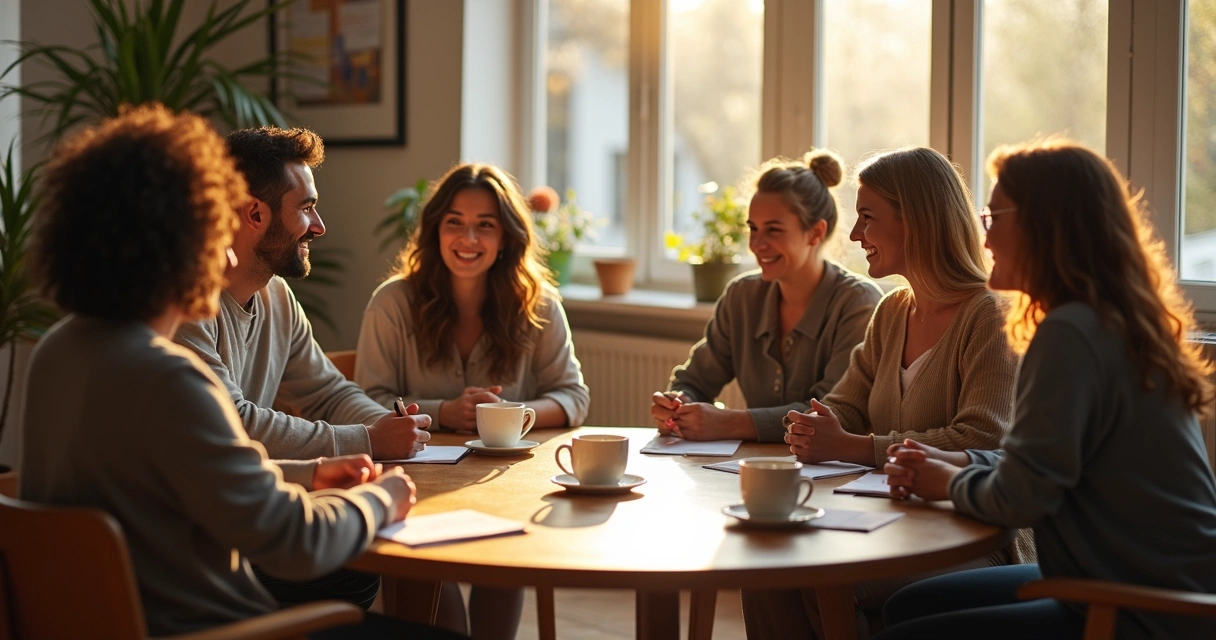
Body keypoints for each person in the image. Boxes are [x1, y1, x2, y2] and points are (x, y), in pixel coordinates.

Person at [19, 104, 459, 639]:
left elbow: (184, 477)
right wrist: (379, 499)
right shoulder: (168, 378)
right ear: (177, 244)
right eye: (215, 230)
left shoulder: (57, 351)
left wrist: (311, 473)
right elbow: (293, 542)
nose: (228, 258)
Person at [875, 140, 1216, 640]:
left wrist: (945, 482)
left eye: (994, 217)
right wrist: (961, 461)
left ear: (1046, 225)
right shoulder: (1108, 321)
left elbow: (1022, 498)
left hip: (1142, 604)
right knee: (908, 605)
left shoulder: (1071, 333)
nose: (984, 237)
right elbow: (1046, 463)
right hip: (1143, 581)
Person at [744, 147, 1024, 639]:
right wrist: (811, 425)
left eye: (867, 218)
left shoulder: (990, 314)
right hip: (897, 516)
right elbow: (845, 405)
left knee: (825, 581)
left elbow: (981, 439)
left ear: (916, 221)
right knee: (766, 571)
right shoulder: (893, 309)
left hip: (977, 535)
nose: (854, 234)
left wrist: (852, 446)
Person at [174, 125, 430, 610]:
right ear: (255, 214)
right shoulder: (184, 306)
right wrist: (368, 441)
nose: (319, 226)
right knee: (347, 568)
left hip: (239, 517)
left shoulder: (276, 295)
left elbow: (327, 393)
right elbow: (234, 424)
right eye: (307, 207)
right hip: (209, 554)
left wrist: (387, 425)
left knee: (352, 568)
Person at [355, 162, 590, 639]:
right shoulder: (392, 302)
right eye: (455, 222)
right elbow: (366, 399)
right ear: (435, 230)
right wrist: (444, 411)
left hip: (504, 486)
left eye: (485, 225)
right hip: (415, 484)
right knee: (437, 596)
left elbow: (573, 395)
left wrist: (509, 416)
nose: (469, 238)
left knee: (504, 555)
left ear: (506, 237)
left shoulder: (539, 304)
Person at [650, 149, 881, 442]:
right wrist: (678, 404)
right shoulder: (741, 296)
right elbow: (694, 381)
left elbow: (833, 414)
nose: (757, 244)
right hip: (754, 463)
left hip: (831, 467)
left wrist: (730, 423)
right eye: (753, 228)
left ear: (815, 233)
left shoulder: (858, 304)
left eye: (773, 230)